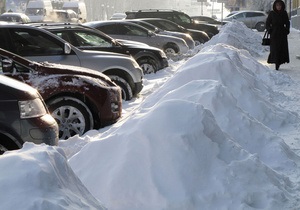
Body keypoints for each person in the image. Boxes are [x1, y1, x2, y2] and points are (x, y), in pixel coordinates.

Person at [266, 0, 290, 70]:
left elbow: (287, 23)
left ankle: (279, 62)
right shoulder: (272, 13)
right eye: (277, 5)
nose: (278, 7)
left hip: (282, 34)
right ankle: (276, 62)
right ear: (275, 6)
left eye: (280, 5)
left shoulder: (284, 13)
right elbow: (267, 23)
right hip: (274, 34)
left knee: (281, 49)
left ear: (282, 6)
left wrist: (287, 30)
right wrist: (269, 29)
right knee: (275, 49)